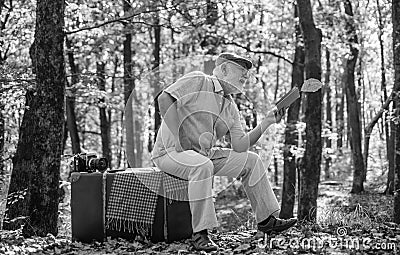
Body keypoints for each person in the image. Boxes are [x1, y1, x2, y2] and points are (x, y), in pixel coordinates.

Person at [151, 52, 297, 252]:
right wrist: (178, 138)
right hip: (169, 152)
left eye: (247, 73)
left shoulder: (230, 106)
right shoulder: (199, 80)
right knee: (202, 166)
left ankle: (267, 221)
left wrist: (267, 122)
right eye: (241, 71)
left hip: (203, 155)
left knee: (251, 161)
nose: (246, 76)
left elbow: (240, 145)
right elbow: (164, 99)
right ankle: (200, 234)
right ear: (225, 69)